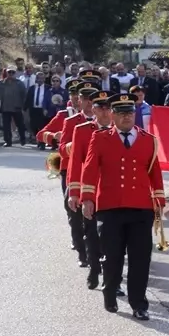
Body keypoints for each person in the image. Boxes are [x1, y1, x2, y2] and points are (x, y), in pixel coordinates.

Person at [79, 92, 165, 320]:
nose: (126, 117)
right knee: (112, 255)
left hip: (140, 207)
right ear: (113, 115)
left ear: (135, 114)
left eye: (130, 112)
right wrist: (87, 198)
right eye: (121, 113)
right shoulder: (99, 138)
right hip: (110, 207)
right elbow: (89, 168)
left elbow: (155, 173)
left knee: (140, 258)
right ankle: (110, 291)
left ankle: (139, 303)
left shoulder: (149, 140)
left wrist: (159, 202)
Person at [67, 90, 115, 290]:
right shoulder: (83, 130)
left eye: (107, 108)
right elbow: (75, 163)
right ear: (93, 109)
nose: (104, 112)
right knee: (93, 234)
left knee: (113, 237)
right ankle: (95, 268)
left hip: (113, 193)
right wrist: (74, 192)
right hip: (91, 192)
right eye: (100, 108)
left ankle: (112, 278)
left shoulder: (122, 131)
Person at [0, 67, 27, 146]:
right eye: (9, 72)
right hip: (5, 107)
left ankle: (22, 139)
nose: (11, 74)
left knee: (20, 124)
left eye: (13, 72)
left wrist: (23, 106)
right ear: (6, 73)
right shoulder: (1, 83)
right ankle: (8, 141)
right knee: (6, 126)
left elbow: (24, 95)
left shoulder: (19, 83)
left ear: (15, 73)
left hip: (17, 107)